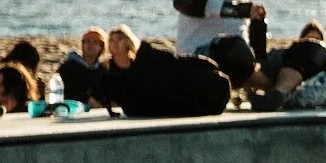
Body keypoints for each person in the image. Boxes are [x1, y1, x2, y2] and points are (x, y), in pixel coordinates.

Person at [99, 31, 232, 118]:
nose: (115, 44)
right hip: (153, 106)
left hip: (176, 92)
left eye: (119, 39)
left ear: (128, 42)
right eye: (111, 40)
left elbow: (179, 61)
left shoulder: (148, 55)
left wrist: (204, 63)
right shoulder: (108, 71)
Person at [57, 29, 108, 109]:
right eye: (87, 41)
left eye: (95, 42)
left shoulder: (102, 70)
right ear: (82, 45)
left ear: (101, 47)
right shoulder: (69, 66)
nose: (90, 45)